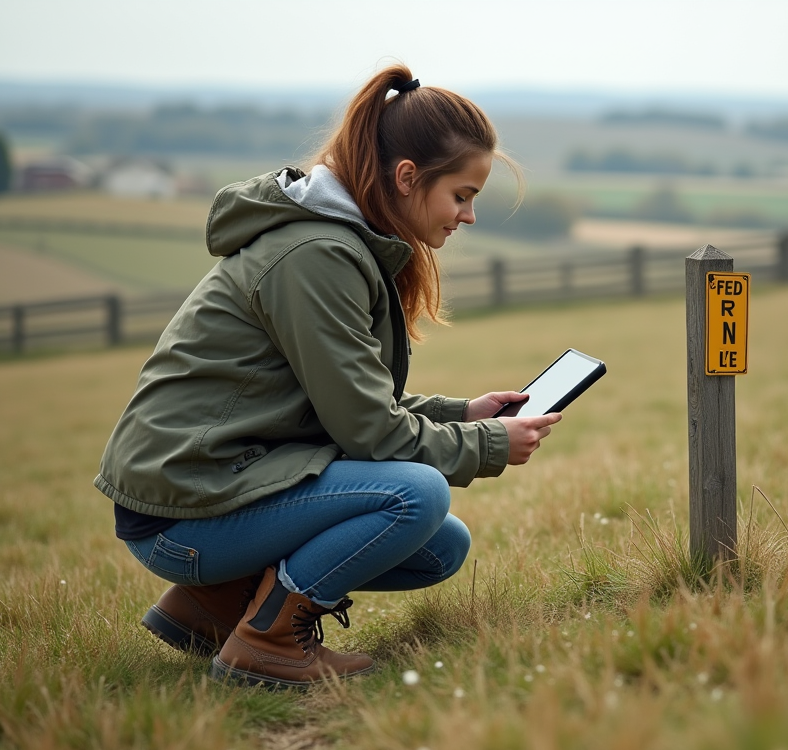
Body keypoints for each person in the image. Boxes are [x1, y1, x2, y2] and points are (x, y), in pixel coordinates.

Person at [93, 65, 562, 689]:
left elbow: (346, 401)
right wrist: (491, 444)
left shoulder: (343, 244)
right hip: (181, 512)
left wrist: (463, 414)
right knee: (415, 495)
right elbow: (370, 432)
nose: (468, 215)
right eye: (462, 195)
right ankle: (267, 641)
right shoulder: (318, 257)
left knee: (438, 545)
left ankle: (214, 606)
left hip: (220, 484)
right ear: (405, 177)